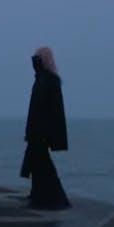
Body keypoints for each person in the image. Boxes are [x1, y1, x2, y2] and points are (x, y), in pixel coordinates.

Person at [21, 47, 70, 209]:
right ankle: (38, 195)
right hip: (36, 129)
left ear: (45, 60)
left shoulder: (50, 80)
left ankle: (54, 198)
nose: (34, 61)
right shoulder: (41, 79)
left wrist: (47, 132)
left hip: (42, 131)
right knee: (37, 163)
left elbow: (53, 110)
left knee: (43, 164)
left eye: (38, 58)